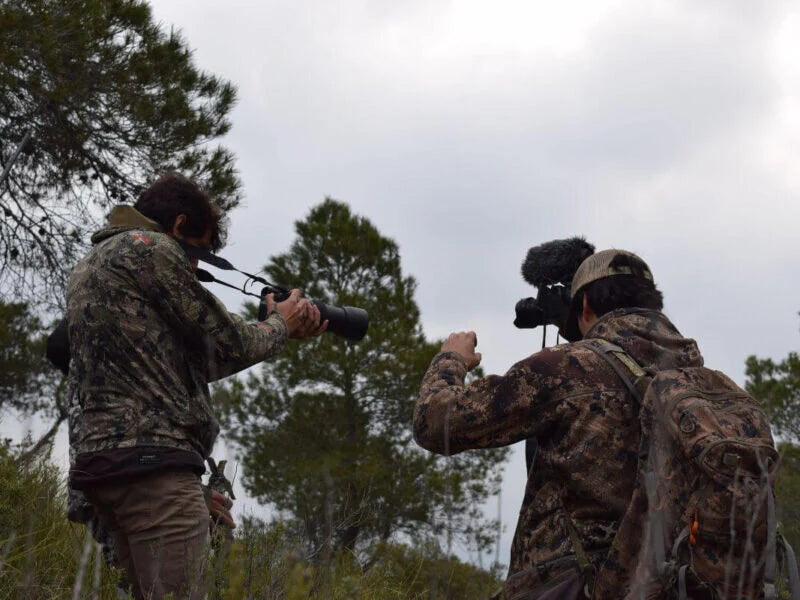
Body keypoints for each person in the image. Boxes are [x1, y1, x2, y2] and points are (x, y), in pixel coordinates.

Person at [66, 172, 326, 600]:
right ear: (179, 225)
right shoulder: (149, 249)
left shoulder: (91, 264)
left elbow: (190, 363)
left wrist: (271, 327)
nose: (194, 267)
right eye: (198, 252)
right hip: (154, 470)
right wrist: (282, 324)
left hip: (103, 467)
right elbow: (229, 340)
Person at [414, 249, 704, 599]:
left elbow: (435, 422)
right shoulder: (697, 378)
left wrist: (451, 359)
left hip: (574, 584)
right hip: (672, 584)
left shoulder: (564, 369)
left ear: (584, 306)